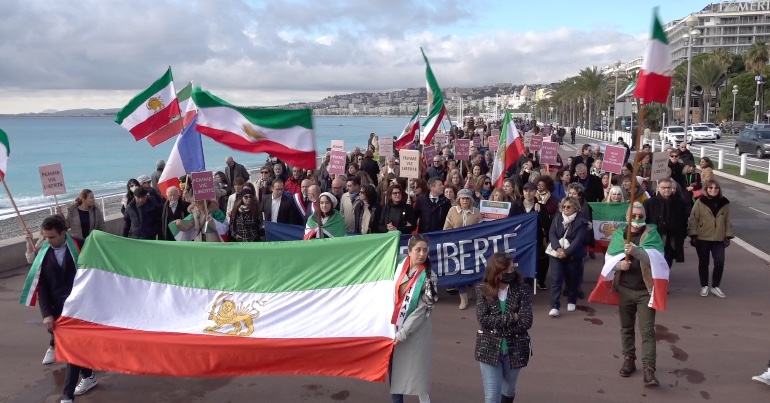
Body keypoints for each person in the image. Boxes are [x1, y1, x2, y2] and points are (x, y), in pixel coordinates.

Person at [24, 215, 98, 402]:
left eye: (52, 237)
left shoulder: (82, 247)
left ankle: (67, 395)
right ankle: (88, 376)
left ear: (64, 233)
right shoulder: (44, 253)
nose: (48, 241)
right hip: (58, 310)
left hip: (81, 308)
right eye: (46, 237)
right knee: (75, 348)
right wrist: (47, 314)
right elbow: (42, 286)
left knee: (72, 349)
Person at [598, 202, 663, 387]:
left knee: (647, 332)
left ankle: (649, 370)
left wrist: (636, 252)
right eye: (633, 216)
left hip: (645, 291)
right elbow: (610, 261)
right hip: (625, 289)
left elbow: (656, 260)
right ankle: (629, 359)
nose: (636, 219)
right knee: (626, 328)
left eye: (640, 216)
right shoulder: (620, 235)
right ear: (627, 217)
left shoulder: (652, 234)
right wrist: (620, 265)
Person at [475, 252, 533, 403]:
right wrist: (512, 318)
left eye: (512, 269)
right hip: (489, 348)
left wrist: (497, 327)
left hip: (515, 349)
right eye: (506, 271)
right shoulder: (482, 290)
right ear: (496, 273)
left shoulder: (522, 289)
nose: (510, 273)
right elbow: (483, 320)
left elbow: (527, 321)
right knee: (492, 397)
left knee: (508, 390)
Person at [390, 235, 437, 403]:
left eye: (425, 250)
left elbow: (421, 310)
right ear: (409, 251)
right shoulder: (400, 266)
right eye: (418, 250)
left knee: (418, 377)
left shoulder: (429, 276)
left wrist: (402, 333)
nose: (422, 254)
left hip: (415, 332)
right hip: (394, 328)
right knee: (395, 375)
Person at [688, 179, 733, 298]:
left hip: (719, 237)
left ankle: (715, 286)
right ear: (706, 189)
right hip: (703, 237)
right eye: (710, 188)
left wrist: (728, 235)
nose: (713, 190)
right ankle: (704, 286)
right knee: (704, 262)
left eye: (716, 188)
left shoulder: (725, 203)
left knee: (719, 262)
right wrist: (693, 235)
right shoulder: (700, 202)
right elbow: (693, 218)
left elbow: (727, 220)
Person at [547, 196, 588, 317]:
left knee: (572, 280)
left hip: (573, 255)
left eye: (568, 207)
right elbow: (552, 234)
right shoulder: (557, 217)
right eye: (563, 206)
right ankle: (555, 306)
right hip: (556, 253)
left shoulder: (581, 221)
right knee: (556, 280)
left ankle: (571, 300)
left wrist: (567, 252)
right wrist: (558, 249)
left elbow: (579, 240)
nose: (565, 209)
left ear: (575, 207)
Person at [444, 188, 483, 310]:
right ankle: (463, 296)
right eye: (462, 198)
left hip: (471, 247)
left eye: (467, 198)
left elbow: (482, 230)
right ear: (458, 200)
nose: (465, 200)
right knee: (459, 271)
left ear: (470, 200)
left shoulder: (476, 212)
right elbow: (446, 228)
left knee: (471, 270)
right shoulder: (452, 211)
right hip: (456, 247)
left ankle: (470, 288)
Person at [643, 179, 687, 269]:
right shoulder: (649, 203)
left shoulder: (679, 203)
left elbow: (683, 221)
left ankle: (664, 279)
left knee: (667, 261)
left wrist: (682, 235)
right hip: (655, 237)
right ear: (658, 188)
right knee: (654, 261)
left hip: (672, 238)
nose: (666, 190)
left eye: (669, 188)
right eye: (663, 188)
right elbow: (645, 220)